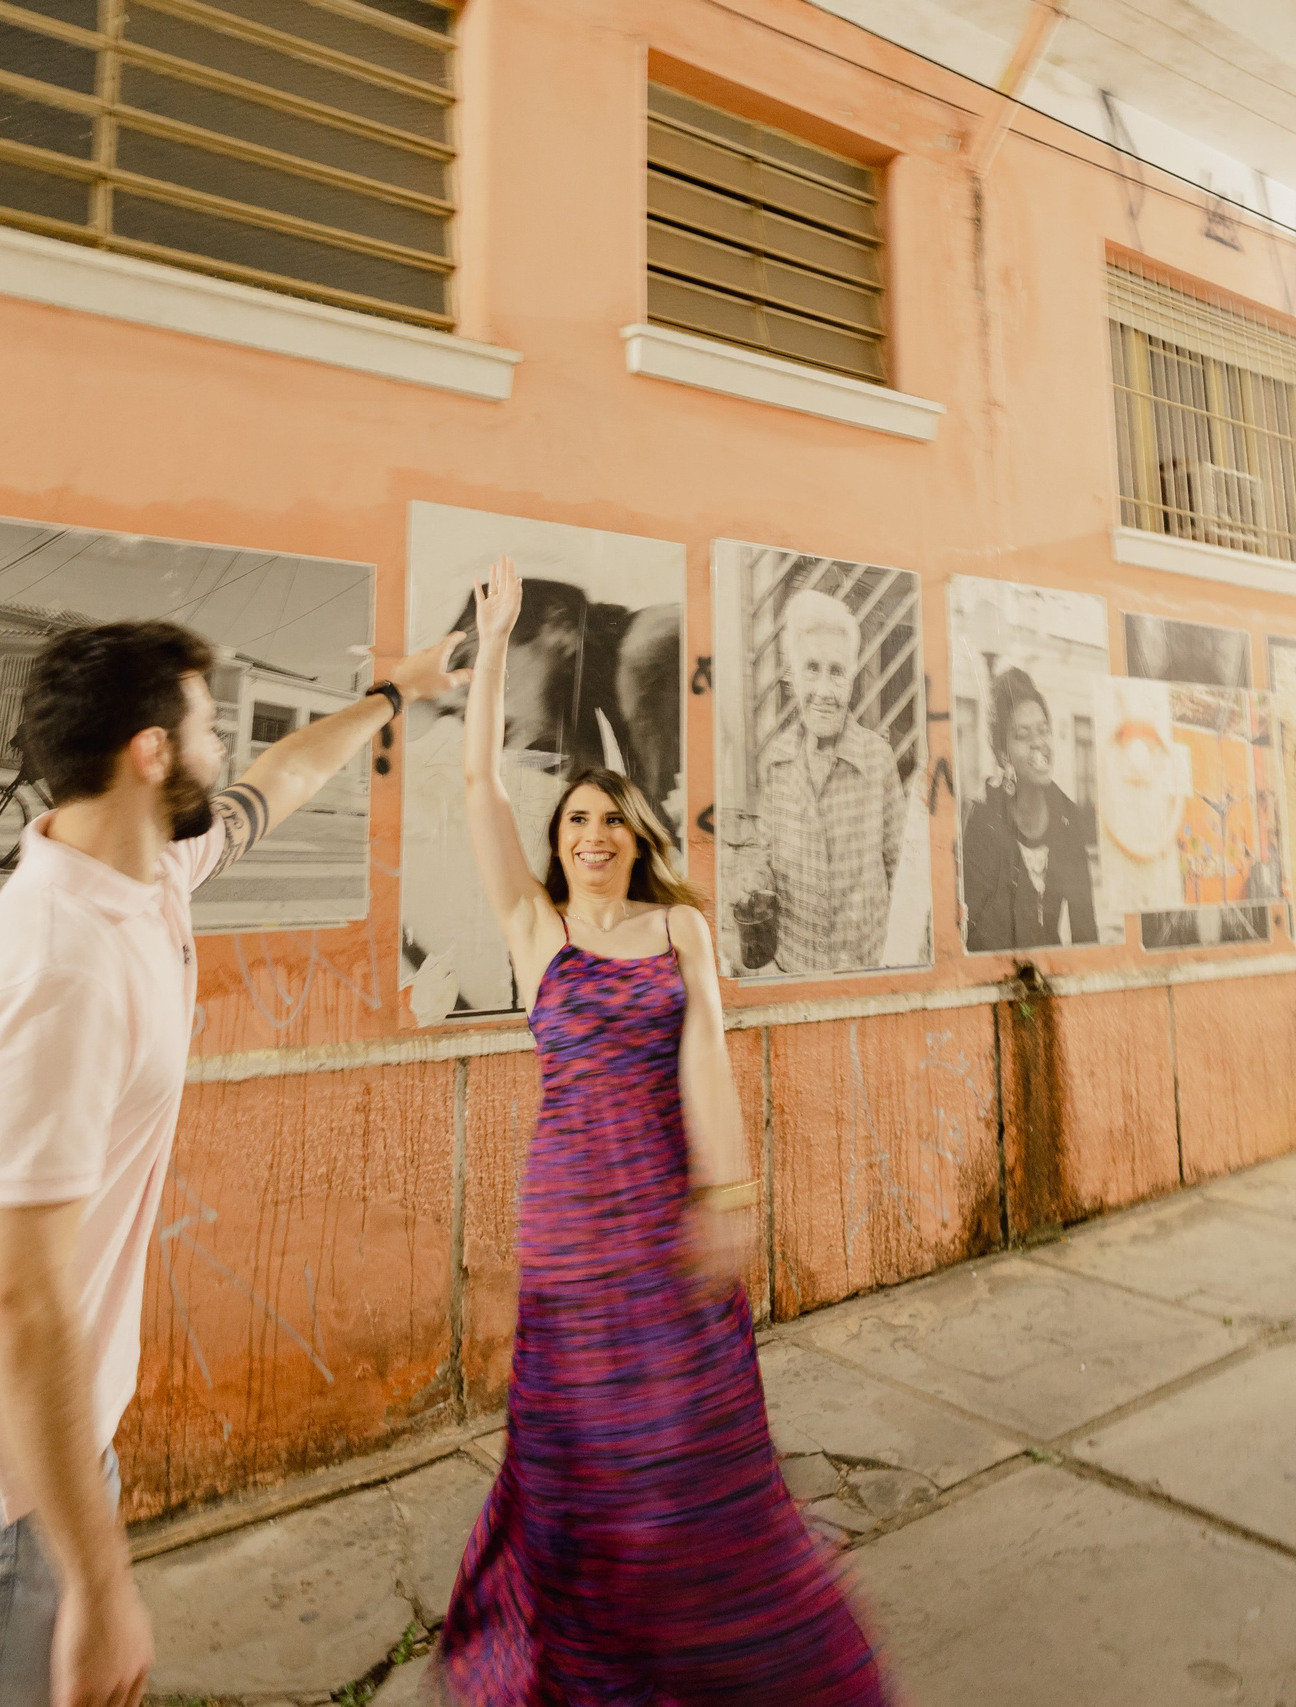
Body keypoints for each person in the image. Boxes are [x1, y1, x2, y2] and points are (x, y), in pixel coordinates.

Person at [0, 618, 466, 1707]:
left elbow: (277, 779)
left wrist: (392, 696)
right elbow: (18, 1301)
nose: (226, 743)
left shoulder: (144, 873)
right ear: (151, 753)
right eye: (209, 724)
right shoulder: (58, 968)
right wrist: (101, 1584)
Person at [434, 557, 887, 1707]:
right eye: (574, 819)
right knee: (585, 1449)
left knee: (690, 1449)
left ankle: (716, 1651)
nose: (590, 833)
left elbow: (706, 1067)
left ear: (636, 835)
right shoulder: (536, 933)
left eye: (607, 819)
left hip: (667, 1215)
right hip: (572, 1224)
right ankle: (584, 1656)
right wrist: (491, 647)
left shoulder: (679, 933)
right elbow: (478, 790)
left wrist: (727, 1198)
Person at [731, 587, 905, 974]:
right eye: (812, 668)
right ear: (793, 676)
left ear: (853, 678)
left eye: (837, 671)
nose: (824, 691)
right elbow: (768, 853)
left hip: (863, 969)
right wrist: (754, 878)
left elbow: (898, 869)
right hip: (795, 967)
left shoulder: (878, 760)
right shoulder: (777, 761)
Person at [961, 665, 1099, 951]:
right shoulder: (984, 820)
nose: (1039, 743)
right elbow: (979, 937)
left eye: (1043, 731)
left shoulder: (1068, 818)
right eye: (1023, 736)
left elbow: (1086, 933)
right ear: (1003, 755)